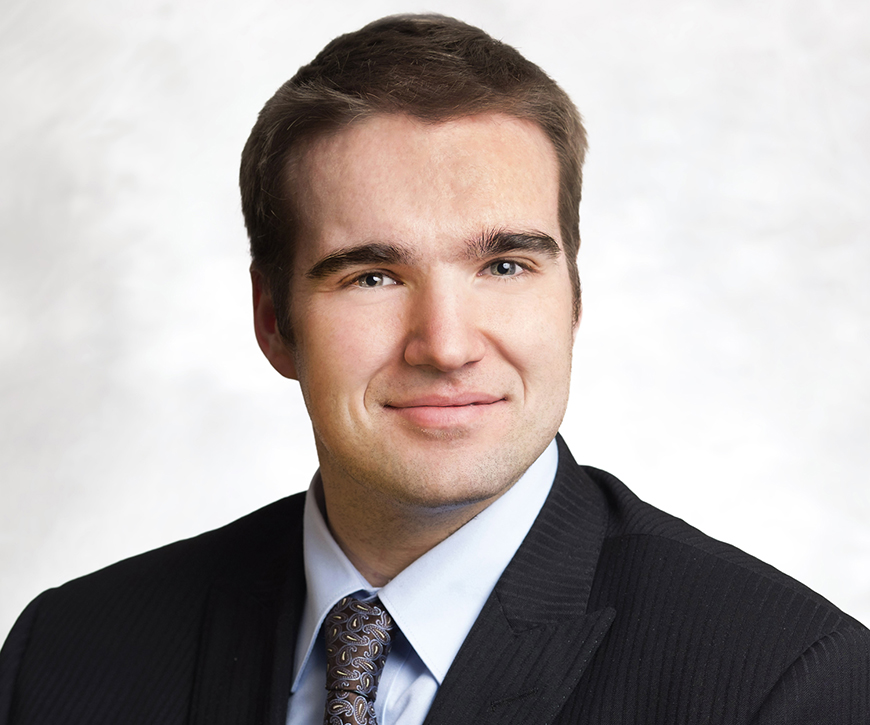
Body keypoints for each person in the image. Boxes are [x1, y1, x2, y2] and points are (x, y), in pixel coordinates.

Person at [1, 13, 868, 725]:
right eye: (372, 276)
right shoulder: (65, 656)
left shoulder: (787, 683)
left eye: (505, 266)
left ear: (572, 297)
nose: (446, 345)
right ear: (273, 321)